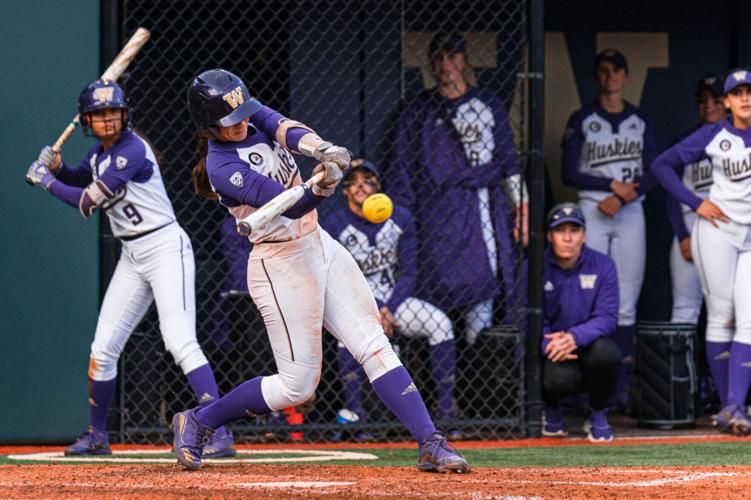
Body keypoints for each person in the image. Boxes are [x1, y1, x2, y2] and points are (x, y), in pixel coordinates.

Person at [173, 68, 468, 473]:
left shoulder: (249, 115)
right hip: (279, 264)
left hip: (318, 244)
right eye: (229, 121)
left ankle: (431, 442)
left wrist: (322, 150)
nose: (241, 122)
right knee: (298, 385)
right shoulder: (221, 168)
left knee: (372, 341)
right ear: (208, 126)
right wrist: (320, 187)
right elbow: (288, 202)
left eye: (242, 113)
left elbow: (285, 128)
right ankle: (201, 420)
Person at [24, 79, 234, 457]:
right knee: (103, 348)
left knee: (179, 340)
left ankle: (218, 431)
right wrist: (59, 167)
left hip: (165, 247)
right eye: (100, 113)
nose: (107, 119)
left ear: (124, 115)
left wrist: (45, 180)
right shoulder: (97, 156)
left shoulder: (132, 150)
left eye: (112, 112)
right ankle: (98, 435)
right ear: (88, 119)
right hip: (132, 255)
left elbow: (88, 201)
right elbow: (80, 177)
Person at [389, 32, 528, 346]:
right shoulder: (417, 111)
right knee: (433, 291)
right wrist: (400, 222)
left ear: (464, 61)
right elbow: (401, 173)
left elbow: (509, 163)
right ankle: (437, 379)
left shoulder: (487, 104)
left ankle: (479, 370)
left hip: (481, 210)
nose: (446, 64)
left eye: (453, 57)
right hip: (435, 215)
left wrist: (523, 209)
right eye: (439, 57)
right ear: (431, 64)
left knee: (483, 291)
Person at [320, 159, 459, 440]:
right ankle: (357, 414)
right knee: (343, 337)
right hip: (356, 304)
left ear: (378, 187)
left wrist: (388, 308)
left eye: (368, 180)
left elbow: (409, 272)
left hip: (396, 302)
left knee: (441, 324)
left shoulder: (400, 218)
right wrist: (371, 309)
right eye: (354, 180)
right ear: (344, 189)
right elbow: (334, 277)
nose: (361, 186)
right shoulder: (333, 224)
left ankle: (446, 410)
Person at [651, 69, 751, 436]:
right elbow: (661, 166)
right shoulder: (713, 133)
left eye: (749, 91)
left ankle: (734, 406)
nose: (744, 98)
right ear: (726, 102)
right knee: (722, 314)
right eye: (737, 93)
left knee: (749, 317)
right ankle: (732, 407)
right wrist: (696, 202)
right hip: (718, 230)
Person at [560, 49, 658, 410]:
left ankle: (620, 389)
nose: (610, 76)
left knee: (627, 302)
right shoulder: (583, 117)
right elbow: (569, 171)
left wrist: (629, 192)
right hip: (593, 208)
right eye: (603, 70)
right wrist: (610, 188)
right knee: (589, 299)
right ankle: (586, 387)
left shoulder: (640, 118)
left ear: (626, 76)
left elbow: (653, 169)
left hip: (631, 210)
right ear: (597, 77)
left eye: (616, 69)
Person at [541, 203, 621, 442]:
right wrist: (549, 345)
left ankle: (597, 411)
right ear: (549, 236)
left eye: (574, 230)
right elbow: (529, 318)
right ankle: (551, 408)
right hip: (552, 349)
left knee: (607, 353)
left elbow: (607, 318)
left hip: (587, 344)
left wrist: (573, 337)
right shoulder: (534, 265)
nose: (567, 238)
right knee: (560, 378)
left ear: (584, 235)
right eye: (559, 230)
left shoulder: (603, 264)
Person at [666, 75, 725, 324]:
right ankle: (681, 365)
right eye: (702, 100)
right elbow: (671, 192)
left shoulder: (744, 140)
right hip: (692, 223)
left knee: (729, 310)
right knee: (685, 308)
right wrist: (682, 236)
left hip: (729, 226)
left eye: (716, 99)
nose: (708, 105)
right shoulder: (684, 142)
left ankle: (733, 365)